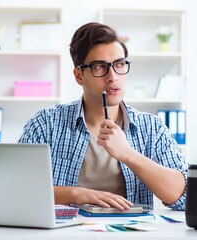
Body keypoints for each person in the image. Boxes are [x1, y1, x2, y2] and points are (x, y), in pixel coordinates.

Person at [18, 22, 188, 211]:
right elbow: (18, 189)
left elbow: (184, 196)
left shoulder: (152, 128)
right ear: (79, 76)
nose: (113, 76)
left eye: (119, 64)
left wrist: (128, 154)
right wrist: (76, 194)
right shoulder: (45, 124)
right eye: (99, 67)